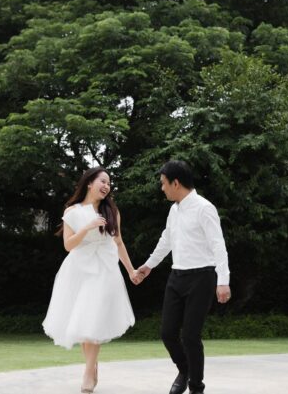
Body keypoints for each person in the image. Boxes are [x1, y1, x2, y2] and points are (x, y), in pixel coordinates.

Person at [137, 160, 231, 394]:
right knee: (167, 333)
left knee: (190, 336)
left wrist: (223, 281)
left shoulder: (204, 208)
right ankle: (184, 369)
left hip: (202, 277)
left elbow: (218, 245)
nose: (162, 188)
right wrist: (148, 266)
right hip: (176, 276)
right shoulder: (174, 210)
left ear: (176, 183)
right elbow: (166, 240)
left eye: (163, 183)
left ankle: (196, 387)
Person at [42, 167, 137, 393]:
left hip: (104, 269)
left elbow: (118, 242)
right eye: (103, 181)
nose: (106, 186)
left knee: (93, 316)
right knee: (85, 320)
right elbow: (68, 245)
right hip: (79, 269)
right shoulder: (72, 211)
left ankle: (87, 373)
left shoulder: (112, 211)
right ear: (89, 183)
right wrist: (87, 227)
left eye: (109, 183)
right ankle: (91, 367)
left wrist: (131, 271)